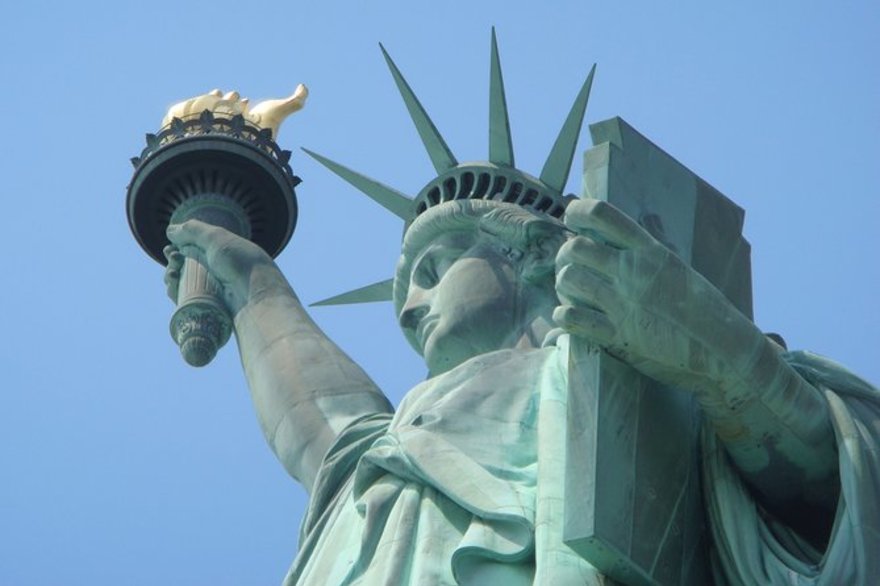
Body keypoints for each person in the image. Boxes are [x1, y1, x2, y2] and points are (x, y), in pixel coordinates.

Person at [164, 192, 879, 584]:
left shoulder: (650, 379)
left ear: (536, 256)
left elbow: (834, 483)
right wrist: (251, 283)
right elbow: (329, 428)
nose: (411, 307)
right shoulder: (397, 445)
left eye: (435, 266)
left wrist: (715, 352)